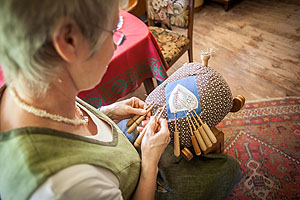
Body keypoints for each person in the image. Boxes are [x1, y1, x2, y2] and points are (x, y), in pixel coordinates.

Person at [0, 1, 240, 200]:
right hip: (141, 183)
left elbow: (71, 122)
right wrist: (149, 166)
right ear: (69, 42)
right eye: (112, 29)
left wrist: (107, 112)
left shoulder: (26, 84)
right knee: (227, 169)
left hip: (123, 150)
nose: (116, 43)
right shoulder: (67, 187)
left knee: (169, 145)